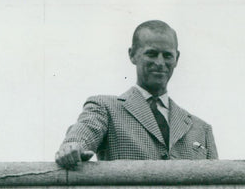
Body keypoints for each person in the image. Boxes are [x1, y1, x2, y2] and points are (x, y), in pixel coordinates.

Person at [55, 20, 217, 168]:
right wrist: (73, 146)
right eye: (151, 54)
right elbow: (84, 133)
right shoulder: (105, 108)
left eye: (167, 55)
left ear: (177, 58)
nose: (160, 63)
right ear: (132, 55)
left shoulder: (201, 129)